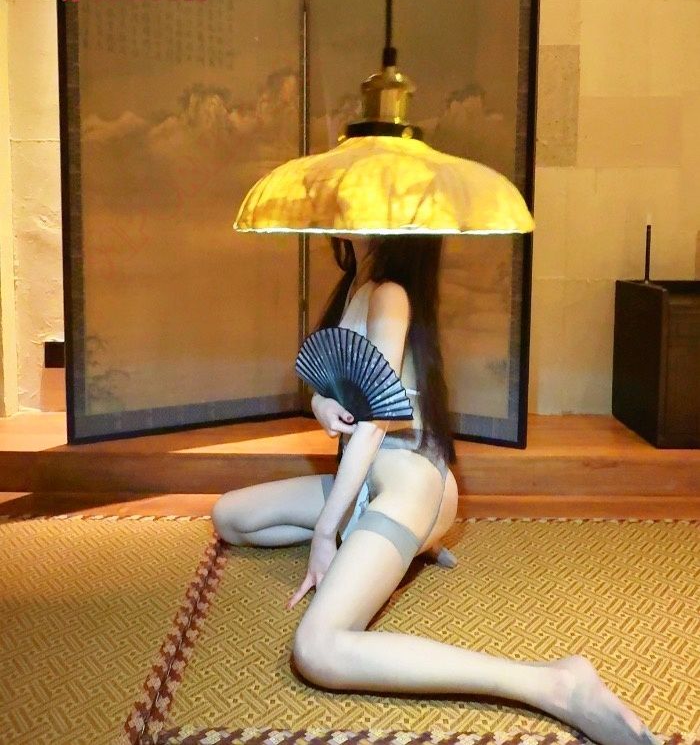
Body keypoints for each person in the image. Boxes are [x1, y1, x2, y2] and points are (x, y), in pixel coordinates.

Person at [211, 235, 660, 745]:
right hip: (363, 481)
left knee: (317, 649)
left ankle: (555, 684)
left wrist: (324, 533)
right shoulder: (355, 287)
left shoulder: (390, 295)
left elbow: (374, 424)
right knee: (231, 517)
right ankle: (394, 543)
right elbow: (335, 387)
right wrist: (319, 404)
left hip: (410, 482)